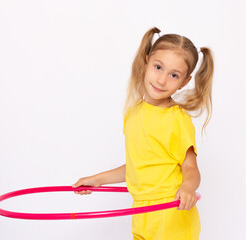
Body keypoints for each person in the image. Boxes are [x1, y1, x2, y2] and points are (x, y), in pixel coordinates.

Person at [72, 27, 214, 240]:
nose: (162, 80)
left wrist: (187, 187)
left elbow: (190, 167)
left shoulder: (176, 119)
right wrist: (97, 179)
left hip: (171, 213)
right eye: (158, 67)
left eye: (173, 75)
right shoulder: (134, 112)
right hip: (142, 213)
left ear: (184, 82)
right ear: (146, 62)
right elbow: (138, 166)